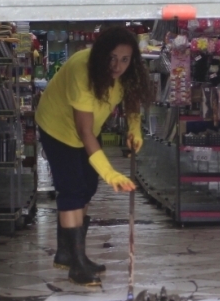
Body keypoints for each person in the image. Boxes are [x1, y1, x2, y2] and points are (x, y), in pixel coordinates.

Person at [35, 27, 153, 286]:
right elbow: (84, 132)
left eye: (124, 60)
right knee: (72, 190)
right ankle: (77, 264)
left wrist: (134, 129)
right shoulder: (83, 72)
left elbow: (131, 100)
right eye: (112, 58)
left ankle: (68, 253)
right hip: (58, 127)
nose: (117, 66)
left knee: (88, 186)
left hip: (87, 129)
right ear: (101, 54)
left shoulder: (125, 74)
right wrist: (109, 172)